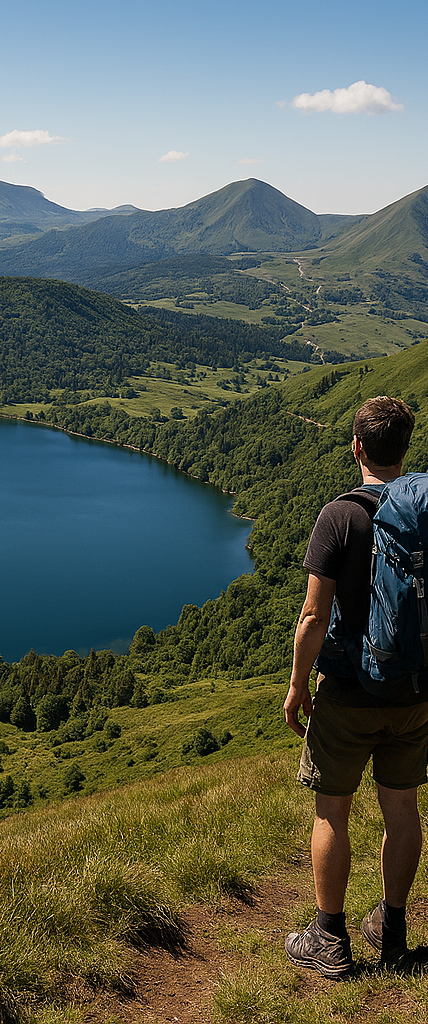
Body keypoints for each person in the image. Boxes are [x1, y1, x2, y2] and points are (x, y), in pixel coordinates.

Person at [283, 395, 428, 978]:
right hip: (416, 692)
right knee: (402, 809)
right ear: (405, 448)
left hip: (346, 693)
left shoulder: (339, 517)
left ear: (357, 446)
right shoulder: (423, 515)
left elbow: (314, 618)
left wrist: (297, 686)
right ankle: (392, 929)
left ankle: (330, 940)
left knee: (332, 811)